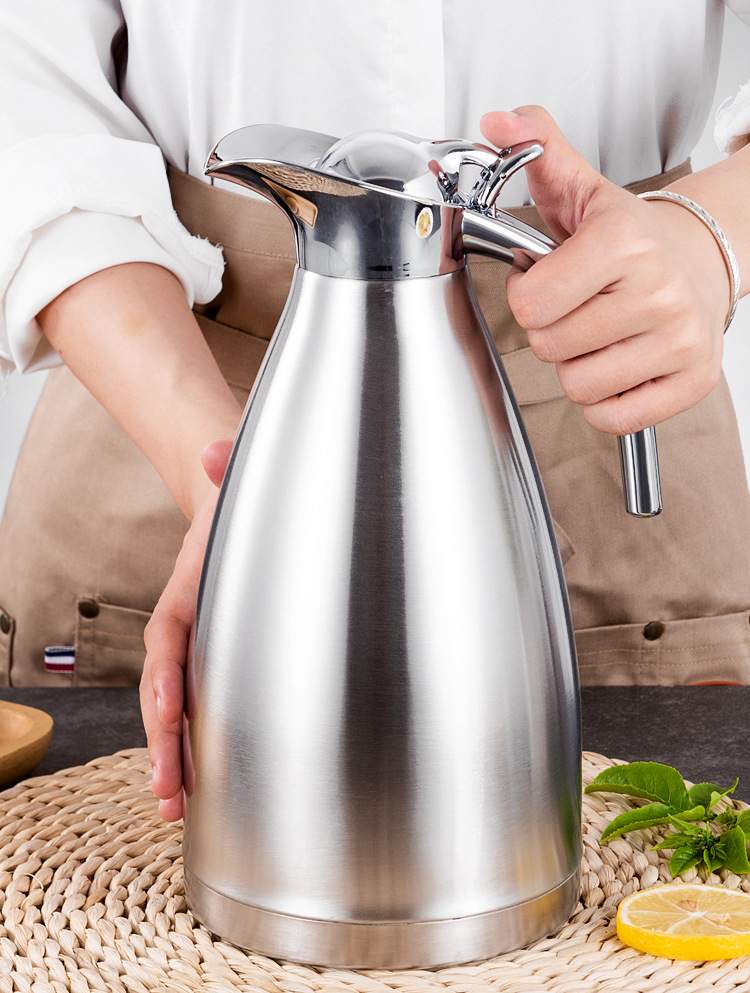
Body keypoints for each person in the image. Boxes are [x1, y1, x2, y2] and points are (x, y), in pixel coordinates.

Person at [1, 2, 750, 821]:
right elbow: (26, 89)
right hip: (153, 394)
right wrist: (222, 485)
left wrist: (704, 242)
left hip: (614, 399)